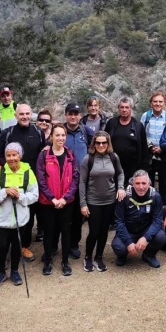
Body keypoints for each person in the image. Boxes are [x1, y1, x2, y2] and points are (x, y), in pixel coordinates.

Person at [0, 142, 39, 288]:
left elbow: (34, 195)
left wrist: (20, 196)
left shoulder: (28, 172)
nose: (11, 158)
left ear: (20, 156)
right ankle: (1, 272)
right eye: (8, 155)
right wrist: (4, 192)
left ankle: (15, 270)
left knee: (17, 245)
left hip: (20, 219)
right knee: (1, 246)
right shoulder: (0, 173)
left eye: (14, 155)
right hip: (2, 219)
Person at [0, 103, 45, 251]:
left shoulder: (38, 132)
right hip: (12, 180)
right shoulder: (8, 133)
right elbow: (0, 156)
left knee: (29, 215)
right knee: (10, 214)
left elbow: (42, 154)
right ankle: (9, 246)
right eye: (21, 114)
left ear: (31, 115)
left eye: (27, 114)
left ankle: (24, 246)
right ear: (15, 115)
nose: (24, 117)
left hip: (32, 179)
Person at [79, 131, 126, 272]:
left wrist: (121, 187)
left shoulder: (113, 157)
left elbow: (120, 173)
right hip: (93, 200)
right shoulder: (88, 159)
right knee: (94, 231)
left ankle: (98, 257)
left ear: (108, 143)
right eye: (98, 142)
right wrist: (83, 203)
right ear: (94, 143)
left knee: (104, 231)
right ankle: (88, 256)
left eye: (103, 142)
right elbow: (81, 182)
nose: (101, 145)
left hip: (110, 200)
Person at [37, 124, 80, 276]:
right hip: (48, 202)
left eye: (63, 135)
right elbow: (41, 180)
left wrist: (65, 198)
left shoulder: (70, 155)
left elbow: (75, 178)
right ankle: (48, 260)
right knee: (49, 232)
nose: (60, 138)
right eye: (57, 135)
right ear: (52, 137)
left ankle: (65, 261)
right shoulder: (44, 155)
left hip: (66, 202)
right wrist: (53, 198)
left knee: (66, 232)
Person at [112, 170, 166, 268]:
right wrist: (128, 242)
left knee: (161, 237)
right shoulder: (124, 196)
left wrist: (146, 237)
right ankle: (122, 256)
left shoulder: (155, 196)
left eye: (144, 183)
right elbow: (119, 222)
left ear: (149, 183)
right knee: (118, 246)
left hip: (146, 229)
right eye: (137, 183)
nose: (141, 187)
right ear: (132, 183)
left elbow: (158, 221)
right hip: (129, 230)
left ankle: (149, 255)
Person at [64, 103, 94, 259]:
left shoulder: (86, 131)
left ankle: (74, 244)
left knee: (77, 214)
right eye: (70, 113)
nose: (73, 116)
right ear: (66, 115)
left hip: (81, 179)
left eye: (76, 113)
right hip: (63, 179)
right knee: (62, 214)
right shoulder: (60, 131)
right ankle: (60, 243)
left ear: (80, 115)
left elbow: (98, 146)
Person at [104, 98, 149, 183]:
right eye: (122, 107)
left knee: (129, 193)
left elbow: (144, 149)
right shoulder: (111, 123)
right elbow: (104, 142)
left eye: (127, 107)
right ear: (118, 108)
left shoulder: (138, 126)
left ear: (131, 108)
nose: (124, 110)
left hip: (132, 168)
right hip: (112, 166)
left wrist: (144, 169)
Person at [140, 92, 166, 204]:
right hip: (149, 154)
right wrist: (150, 147)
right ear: (151, 103)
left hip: (164, 154)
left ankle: (163, 207)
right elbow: (142, 134)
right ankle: (148, 205)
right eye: (155, 101)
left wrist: (161, 148)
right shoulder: (146, 116)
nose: (157, 104)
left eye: (160, 101)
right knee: (148, 182)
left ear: (164, 104)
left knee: (164, 183)